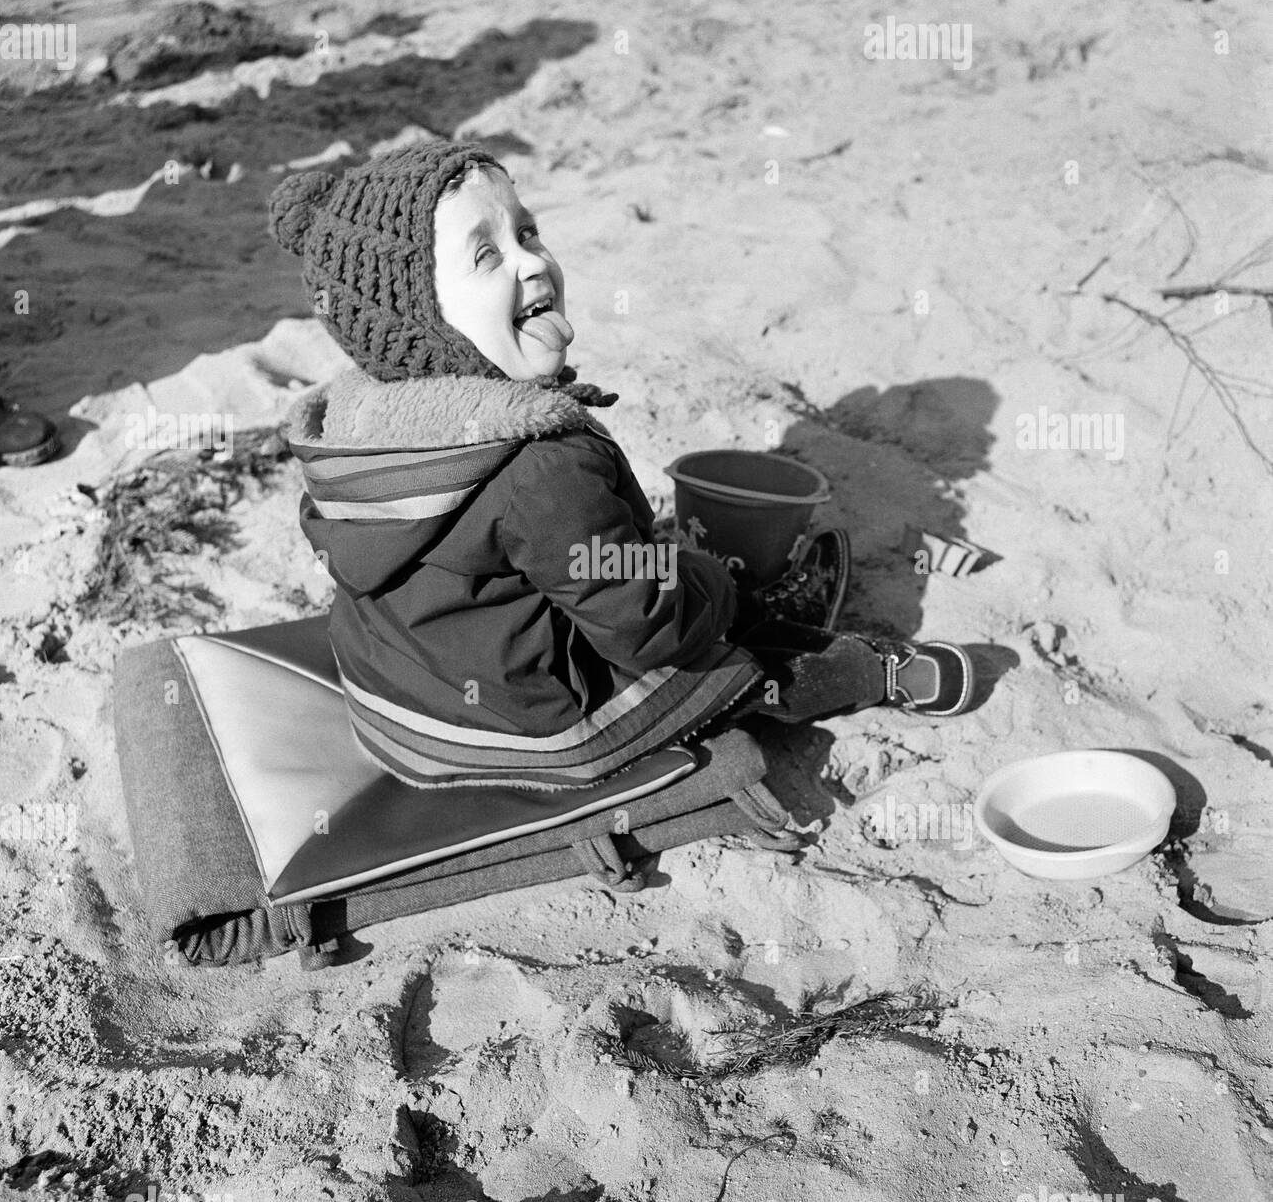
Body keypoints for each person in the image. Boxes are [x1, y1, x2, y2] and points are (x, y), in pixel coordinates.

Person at [270, 142, 971, 792]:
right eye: (486, 257)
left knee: (615, 569)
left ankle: (724, 592)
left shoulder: (358, 422)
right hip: (529, 729)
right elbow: (648, 627)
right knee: (728, 655)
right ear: (416, 321)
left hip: (397, 698)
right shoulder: (542, 467)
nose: (532, 262)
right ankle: (870, 670)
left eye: (528, 231)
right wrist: (705, 579)